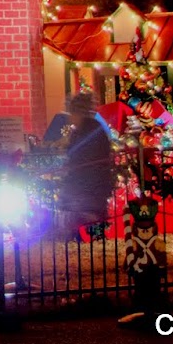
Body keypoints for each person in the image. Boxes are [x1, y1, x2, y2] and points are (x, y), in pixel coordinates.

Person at [54, 92, 117, 242]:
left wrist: (72, 165)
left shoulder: (90, 130)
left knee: (87, 209)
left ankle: (92, 235)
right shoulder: (84, 130)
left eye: (71, 112)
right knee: (81, 208)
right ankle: (81, 236)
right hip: (85, 180)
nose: (70, 117)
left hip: (89, 180)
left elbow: (85, 154)